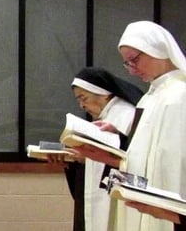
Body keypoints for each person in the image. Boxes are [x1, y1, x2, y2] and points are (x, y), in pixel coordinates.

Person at [73, 20, 186, 231]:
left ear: (157, 49)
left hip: (166, 210)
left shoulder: (179, 95)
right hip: (143, 204)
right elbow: (141, 160)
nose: (132, 70)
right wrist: (114, 147)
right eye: (127, 64)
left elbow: (172, 164)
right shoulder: (149, 99)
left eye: (134, 60)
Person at [52, 67, 143, 231]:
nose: (82, 105)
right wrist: (72, 162)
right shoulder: (109, 116)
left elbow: (130, 164)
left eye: (83, 98)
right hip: (103, 195)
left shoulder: (125, 115)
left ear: (103, 93)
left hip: (116, 199)